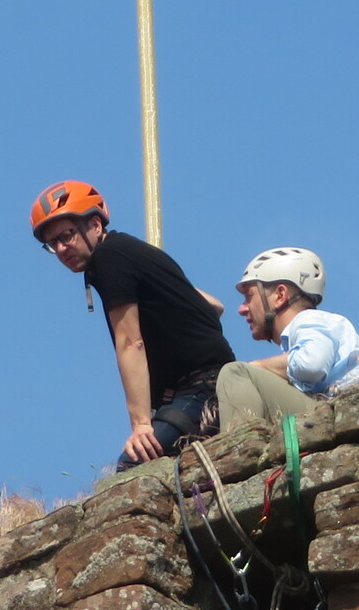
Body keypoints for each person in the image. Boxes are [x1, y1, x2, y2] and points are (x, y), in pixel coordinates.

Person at [30, 181, 236, 467]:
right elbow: (215, 306)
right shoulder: (127, 251)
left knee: (134, 464)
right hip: (209, 386)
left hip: (201, 391)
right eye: (53, 244)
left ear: (95, 225)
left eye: (67, 235)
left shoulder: (109, 257)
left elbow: (130, 342)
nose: (62, 248)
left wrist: (141, 425)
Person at [215, 247, 359, 431]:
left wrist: (259, 366)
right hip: (347, 412)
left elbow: (311, 365)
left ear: (280, 296)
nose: (242, 309)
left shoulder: (308, 319)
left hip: (351, 410)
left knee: (236, 373)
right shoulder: (316, 326)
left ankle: (241, 446)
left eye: (249, 296)